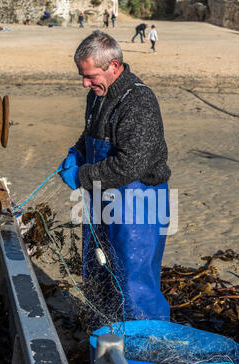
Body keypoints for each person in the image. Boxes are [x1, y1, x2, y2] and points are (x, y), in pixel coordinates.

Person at [58, 31, 171, 323]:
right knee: (98, 270)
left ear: (115, 66)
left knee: (134, 283)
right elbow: (91, 134)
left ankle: (144, 351)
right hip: (101, 199)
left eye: (91, 75)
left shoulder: (139, 102)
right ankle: (101, 336)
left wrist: (82, 174)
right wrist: (77, 152)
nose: (85, 82)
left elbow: (129, 165)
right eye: (82, 75)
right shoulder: (96, 96)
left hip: (140, 203)